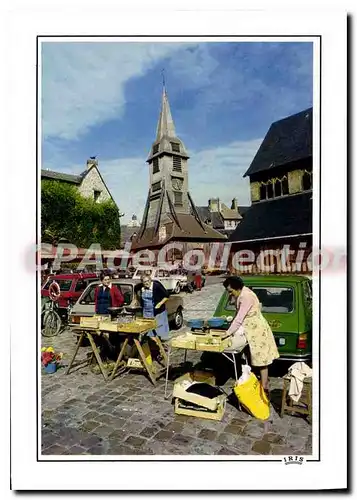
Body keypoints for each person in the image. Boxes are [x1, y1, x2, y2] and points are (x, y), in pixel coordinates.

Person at [223, 276, 279, 396]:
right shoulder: (240, 294)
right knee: (251, 356)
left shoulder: (246, 296)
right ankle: (252, 379)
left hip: (257, 329)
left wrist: (228, 333)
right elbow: (237, 313)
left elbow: (239, 318)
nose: (229, 293)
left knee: (261, 358)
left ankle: (264, 387)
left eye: (230, 290)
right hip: (250, 329)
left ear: (237, 288)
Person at [134, 272, 170, 341]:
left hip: (158, 312)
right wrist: (136, 299)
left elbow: (167, 296)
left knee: (158, 331)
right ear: (142, 282)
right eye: (144, 282)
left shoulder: (156, 286)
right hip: (146, 312)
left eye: (148, 281)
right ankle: (154, 347)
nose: (147, 283)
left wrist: (159, 304)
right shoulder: (140, 287)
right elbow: (135, 289)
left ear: (150, 280)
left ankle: (160, 347)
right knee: (149, 332)